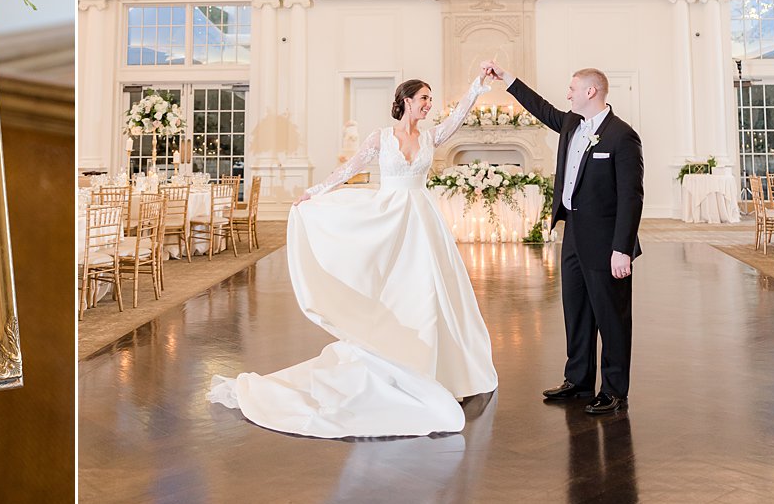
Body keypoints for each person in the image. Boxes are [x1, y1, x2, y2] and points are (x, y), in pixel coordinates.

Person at [208, 72, 497, 438]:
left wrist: (475, 87)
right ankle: (396, 355)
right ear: (406, 101)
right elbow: (350, 169)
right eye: (423, 98)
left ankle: (434, 365)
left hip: (423, 221)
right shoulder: (381, 137)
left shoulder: (429, 136)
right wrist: (313, 192)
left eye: (430, 98)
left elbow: (457, 120)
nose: (429, 104)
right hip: (389, 218)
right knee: (392, 288)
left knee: (429, 290)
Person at [481, 61, 643, 415]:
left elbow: (632, 197)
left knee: (611, 315)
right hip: (573, 234)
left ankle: (614, 389)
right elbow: (541, 108)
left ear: (591, 91)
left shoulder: (621, 135)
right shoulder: (571, 123)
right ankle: (579, 380)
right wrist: (506, 79)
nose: (567, 94)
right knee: (577, 310)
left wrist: (622, 250)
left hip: (606, 240)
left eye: (572, 88)